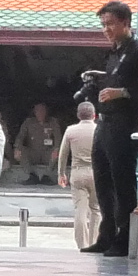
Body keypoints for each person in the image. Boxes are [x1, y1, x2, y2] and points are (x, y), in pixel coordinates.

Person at [87, 1, 138, 257]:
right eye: (103, 25)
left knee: (122, 183)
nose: (106, 29)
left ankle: (124, 237)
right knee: (102, 181)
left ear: (126, 23)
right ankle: (105, 236)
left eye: (110, 24)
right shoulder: (114, 53)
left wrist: (122, 93)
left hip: (125, 124)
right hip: (104, 124)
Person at [58, 97, 105, 251]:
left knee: (80, 210)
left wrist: (61, 173)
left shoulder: (71, 130)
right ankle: (93, 242)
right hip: (96, 173)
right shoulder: (99, 130)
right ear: (94, 115)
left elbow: (63, 154)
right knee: (96, 210)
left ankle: (81, 244)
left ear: (78, 115)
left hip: (78, 172)